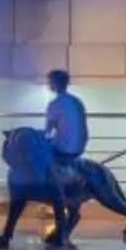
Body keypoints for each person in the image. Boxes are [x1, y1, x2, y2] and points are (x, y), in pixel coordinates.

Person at [42, 68, 88, 222]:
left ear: (54, 84)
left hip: (65, 148)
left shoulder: (55, 104)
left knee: (41, 159)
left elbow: (48, 130)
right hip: (80, 146)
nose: (48, 85)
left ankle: (52, 199)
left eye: (49, 82)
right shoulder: (76, 101)